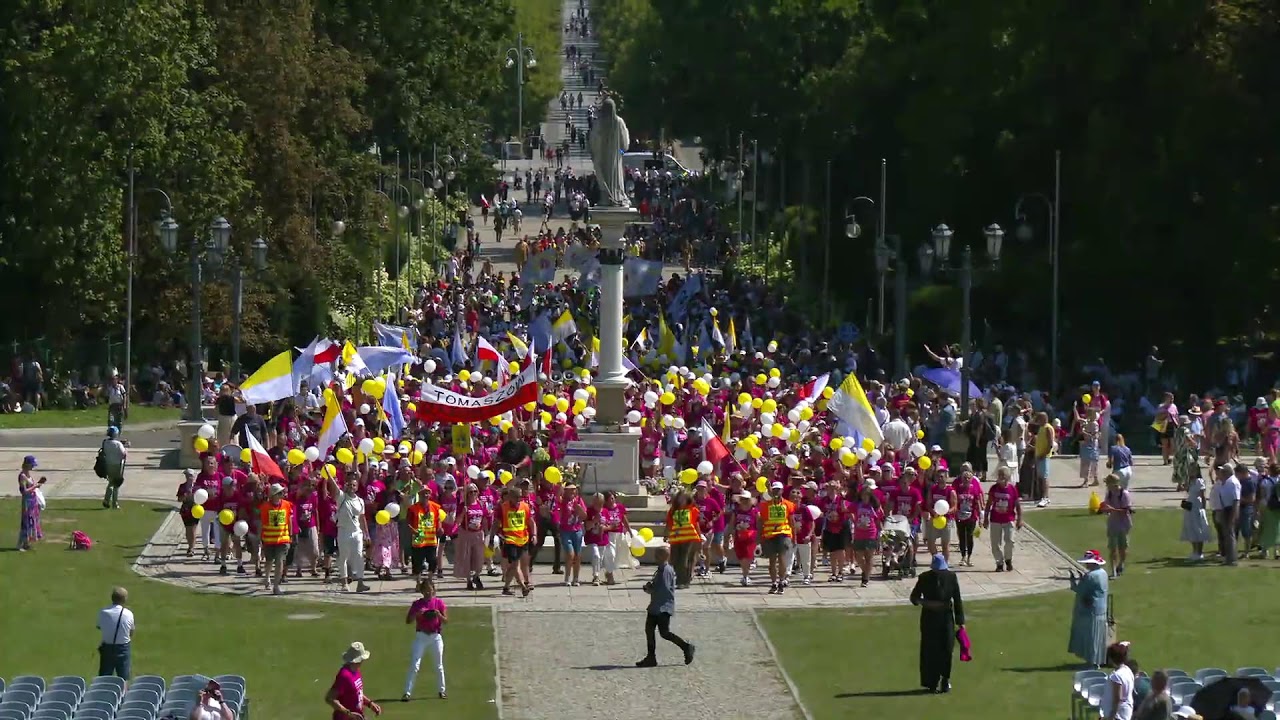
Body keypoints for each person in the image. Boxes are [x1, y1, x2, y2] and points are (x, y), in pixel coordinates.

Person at [908, 553, 966, 693]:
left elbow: (957, 599)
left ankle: (945, 679)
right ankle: (931, 682)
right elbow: (914, 597)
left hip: (946, 618)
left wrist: (960, 621)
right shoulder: (924, 578)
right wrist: (926, 603)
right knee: (930, 650)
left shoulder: (951, 577)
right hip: (929, 618)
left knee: (947, 648)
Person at [635, 545, 694, 667]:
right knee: (649, 630)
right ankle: (651, 657)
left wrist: (651, 589)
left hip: (662, 607)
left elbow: (665, 589)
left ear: (663, 556)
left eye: (657, 555)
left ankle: (686, 647)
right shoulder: (662, 569)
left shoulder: (666, 571)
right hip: (655, 606)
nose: (655, 557)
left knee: (665, 633)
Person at [402, 578, 448, 701]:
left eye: (430, 591)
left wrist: (438, 614)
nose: (428, 593)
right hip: (421, 636)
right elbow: (408, 621)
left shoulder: (439, 603)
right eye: (426, 591)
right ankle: (407, 692)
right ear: (422, 591)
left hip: (435, 637)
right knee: (414, 665)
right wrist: (417, 614)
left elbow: (446, 621)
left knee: (439, 665)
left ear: (434, 590)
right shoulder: (417, 604)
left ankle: (442, 691)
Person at [1068, 550, 1110, 667]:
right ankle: (1097, 660)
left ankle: (1092, 662)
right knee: (1098, 637)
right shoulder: (1103, 573)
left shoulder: (1091, 576)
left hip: (1089, 610)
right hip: (1101, 609)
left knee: (1090, 637)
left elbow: (1079, 589)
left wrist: (1073, 581)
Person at [326, 642, 381, 719]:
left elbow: (357, 693)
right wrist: (349, 713)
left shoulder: (356, 671)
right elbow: (330, 698)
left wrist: (370, 704)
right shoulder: (344, 675)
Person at [757, 481, 796, 594]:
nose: (776, 492)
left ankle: (782, 581)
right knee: (772, 561)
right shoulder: (765, 506)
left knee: (782, 558)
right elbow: (761, 522)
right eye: (774, 489)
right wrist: (759, 539)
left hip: (784, 534)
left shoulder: (788, 504)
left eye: (778, 489)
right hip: (769, 535)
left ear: (782, 491)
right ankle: (774, 582)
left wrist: (794, 538)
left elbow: (792, 522)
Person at [259, 483, 296, 595]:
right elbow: (262, 523)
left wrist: (290, 534)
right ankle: (267, 577)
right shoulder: (265, 507)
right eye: (279, 493)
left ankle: (276, 586)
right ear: (273, 495)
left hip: (282, 539)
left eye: (282, 492)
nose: (282, 494)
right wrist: (261, 538)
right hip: (269, 539)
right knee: (269, 561)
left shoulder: (287, 505)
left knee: (280, 562)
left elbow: (289, 520)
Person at [498, 486, 535, 597]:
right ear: (510, 497)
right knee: (515, 565)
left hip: (523, 539)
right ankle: (523, 587)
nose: (519, 499)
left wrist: (534, 534)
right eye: (517, 497)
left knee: (513, 566)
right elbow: (496, 523)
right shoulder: (503, 507)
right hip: (510, 540)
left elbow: (531, 522)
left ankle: (506, 587)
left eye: (520, 497)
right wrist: (491, 537)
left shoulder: (525, 506)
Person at [96, 586, 135, 680]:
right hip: (123, 647)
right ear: (124, 599)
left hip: (107, 647)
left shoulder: (103, 612)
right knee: (123, 678)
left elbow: (99, 626)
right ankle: (124, 694)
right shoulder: (128, 614)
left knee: (104, 678)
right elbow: (131, 632)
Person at [1101, 474, 1134, 575]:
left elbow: (1125, 510)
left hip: (1124, 524)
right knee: (1112, 548)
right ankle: (1113, 570)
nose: (1107, 486)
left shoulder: (1124, 494)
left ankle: (1121, 563)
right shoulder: (1109, 493)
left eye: (1108, 484)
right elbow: (1106, 507)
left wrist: (1112, 510)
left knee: (1122, 547)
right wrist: (1105, 510)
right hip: (1112, 523)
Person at [17, 454, 45, 551]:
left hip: (33, 501)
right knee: (25, 522)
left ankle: (26, 543)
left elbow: (31, 487)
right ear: (27, 464)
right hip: (27, 502)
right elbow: (24, 491)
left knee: (31, 521)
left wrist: (37, 485)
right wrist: (35, 486)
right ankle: (20, 544)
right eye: (32, 465)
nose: (33, 467)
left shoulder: (28, 474)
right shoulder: (22, 476)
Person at [1101, 642, 1135, 720]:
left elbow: (1117, 699)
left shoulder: (1116, 676)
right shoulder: (1127, 670)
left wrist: (1111, 717)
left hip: (1117, 715)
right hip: (1126, 712)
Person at [100, 426, 128, 509]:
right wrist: (126, 448)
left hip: (108, 464)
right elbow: (123, 454)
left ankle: (106, 500)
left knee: (111, 482)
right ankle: (115, 503)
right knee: (116, 484)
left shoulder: (105, 442)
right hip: (117, 465)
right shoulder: (118, 444)